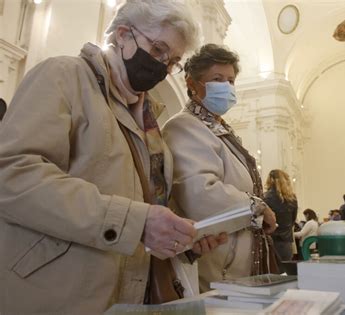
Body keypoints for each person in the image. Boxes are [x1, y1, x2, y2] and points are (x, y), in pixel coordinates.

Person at [0, 1, 226, 313]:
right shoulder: (64, 76)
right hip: (58, 294)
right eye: (159, 49)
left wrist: (180, 241)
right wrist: (136, 222)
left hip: (123, 298)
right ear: (122, 35)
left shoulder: (149, 122)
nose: (163, 66)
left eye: (172, 60)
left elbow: (140, 212)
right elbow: (12, 174)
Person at [162, 43, 277, 291]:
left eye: (231, 80)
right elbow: (200, 193)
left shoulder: (219, 129)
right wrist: (257, 208)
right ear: (192, 83)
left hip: (237, 258)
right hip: (215, 257)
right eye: (217, 79)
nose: (226, 87)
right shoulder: (184, 126)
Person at [263, 169, 298, 264]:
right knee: (285, 272)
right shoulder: (292, 199)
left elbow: (262, 221)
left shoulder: (265, 198)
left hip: (270, 240)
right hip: (286, 241)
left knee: (272, 272)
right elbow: (293, 220)